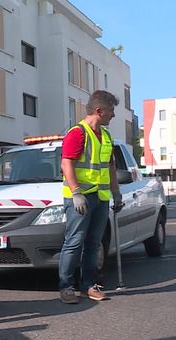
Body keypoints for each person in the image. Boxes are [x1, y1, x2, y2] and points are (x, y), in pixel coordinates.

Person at [59, 90, 123, 304]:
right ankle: (66, 287)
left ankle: (89, 285)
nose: (113, 115)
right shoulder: (78, 133)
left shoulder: (106, 136)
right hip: (81, 198)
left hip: (101, 198)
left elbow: (110, 167)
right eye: (111, 110)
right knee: (74, 242)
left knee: (94, 244)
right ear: (99, 111)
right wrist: (76, 193)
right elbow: (66, 164)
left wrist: (116, 193)